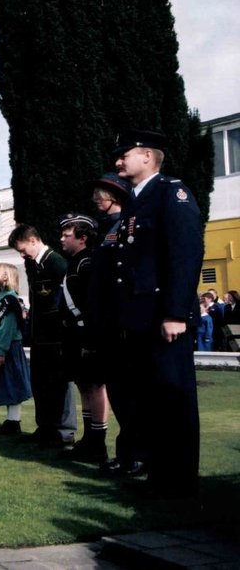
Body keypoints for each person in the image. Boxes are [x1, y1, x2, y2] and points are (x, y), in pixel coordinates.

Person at [111, 129, 202, 498]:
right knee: (150, 399)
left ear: (147, 156)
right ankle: (160, 476)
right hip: (141, 319)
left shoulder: (170, 193)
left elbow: (184, 254)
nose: (118, 161)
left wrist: (176, 312)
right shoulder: (135, 201)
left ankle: (179, 482)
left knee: (173, 398)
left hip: (165, 318)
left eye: (125, 154)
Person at [90, 172, 146, 479]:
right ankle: (126, 454)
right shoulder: (104, 229)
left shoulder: (126, 225)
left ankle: (138, 455)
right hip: (108, 322)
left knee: (131, 392)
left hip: (123, 320)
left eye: (103, 193)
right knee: (120, 393)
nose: (98, 199)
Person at [8, 224, 69, 447]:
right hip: (39, 334)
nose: (23, 255)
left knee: (57, 383)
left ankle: (60, 430)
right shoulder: (33, 263)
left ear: (33, 240)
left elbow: (65, 299)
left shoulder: (55, 262)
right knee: (41, 382)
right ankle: (44, 426)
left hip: (55, 334)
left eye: (23, 250)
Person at [58, 213, 108, 464]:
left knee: (96, 386)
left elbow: (94, 303)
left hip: (88, 333)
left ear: (83, 238)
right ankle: (88, 438)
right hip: (75, 334)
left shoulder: (87, 262)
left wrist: (91, 339)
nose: (62, 239)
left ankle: (98, 441)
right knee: (84, 385)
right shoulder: (75, 262)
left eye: (67, 235)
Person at [0, 263, 32, 435]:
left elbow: (9, 328)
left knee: (12, 383)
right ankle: (11, 420)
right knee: (5, 383)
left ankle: (14, 421)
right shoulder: (2, 297)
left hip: (7, 346)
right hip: (0, 345)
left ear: (6, 277)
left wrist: (2, 351)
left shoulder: (10, 299)